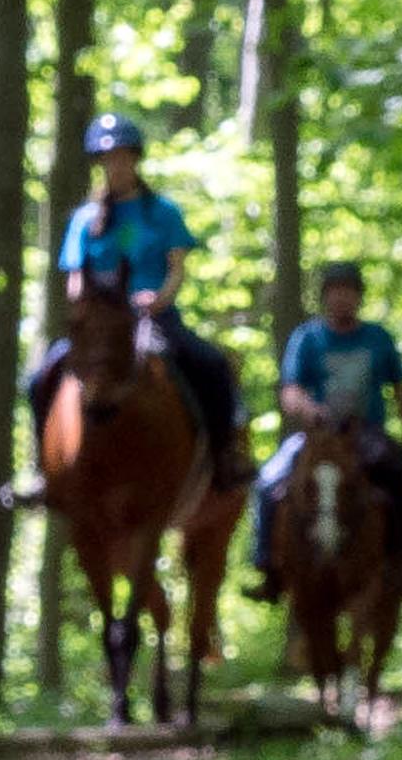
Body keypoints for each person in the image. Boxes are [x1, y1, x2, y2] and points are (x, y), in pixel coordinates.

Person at [13, 119, 238, 493]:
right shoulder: (84, 220)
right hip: (102, 324)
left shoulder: (163, 212)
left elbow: (176, 268)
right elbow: (74, 278)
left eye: (122, 157)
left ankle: (222, 460)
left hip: (155, 317)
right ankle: (43, 470)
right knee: (40, 378)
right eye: (108, 158)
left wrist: (159, 297)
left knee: (213, 366)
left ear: (135, 159)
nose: (115, 165)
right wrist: (90, 304)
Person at [254, 258, 402, 611]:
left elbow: (401, 392)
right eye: (336, 292)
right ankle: (267, 567)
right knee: (267, 480)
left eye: (349, 292)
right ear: (324, 297)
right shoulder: (307, 338)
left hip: (367, 436)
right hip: (318, 437)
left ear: (359, 298)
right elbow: (290, 390)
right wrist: (311, 410)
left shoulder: (378, 338)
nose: (342, 299)